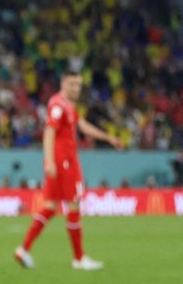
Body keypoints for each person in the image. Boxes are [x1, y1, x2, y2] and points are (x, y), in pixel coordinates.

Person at [14, 69, 124, 270]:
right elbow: (49, 132)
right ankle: (79, 258)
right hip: (64, 162)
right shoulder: (58, 105)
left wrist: (108, 138)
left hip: (61, 162)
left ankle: (24, 249)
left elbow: (82, 125)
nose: (76, 88)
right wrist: (49, 161)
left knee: (50, 206)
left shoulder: (68, 105)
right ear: (63, 84)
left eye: (78, 85)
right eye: (72, 84)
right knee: (73, 206)